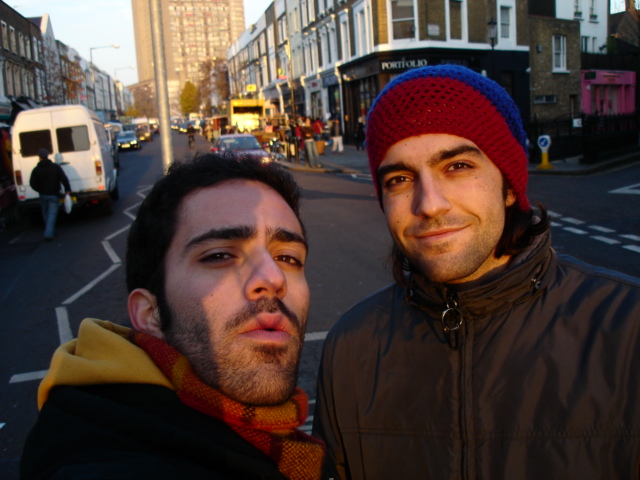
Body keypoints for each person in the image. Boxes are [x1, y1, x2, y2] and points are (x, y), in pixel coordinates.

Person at [312, 65, 640, 479]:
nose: (429, 203)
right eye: (399, 178)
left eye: (458, 166)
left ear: (508, 185)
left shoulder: (626, 329)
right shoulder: (350, 349)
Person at [21, 154, 325, 480]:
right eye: (219, 255)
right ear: (151, 313)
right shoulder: (104, 458)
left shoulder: (292, 447)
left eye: (288, 258)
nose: (274, 277)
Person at [29, 148, 71, 241]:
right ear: (47, 156)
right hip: (54, 194)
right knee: (52, 214)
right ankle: (48, 234)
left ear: (39, 157)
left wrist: (39, 189)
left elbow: (32, 183)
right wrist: (67, 189)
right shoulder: (55, 167)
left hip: (43, 195)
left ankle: (51, 231)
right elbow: (64, 178)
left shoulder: (36, 170)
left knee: (46, 213)